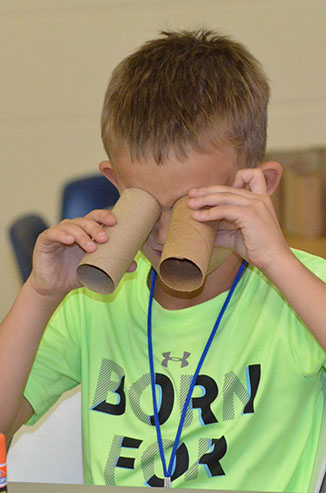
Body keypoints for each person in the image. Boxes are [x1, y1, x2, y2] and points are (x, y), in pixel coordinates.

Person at [1, 29, 326, 492]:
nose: (162, 233)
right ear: (115, 185)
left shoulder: (299, 293)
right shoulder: (96, 304)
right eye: (145, 204)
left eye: (192, 206)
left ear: (255, 187)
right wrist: (40, 293)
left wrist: (276, 261)